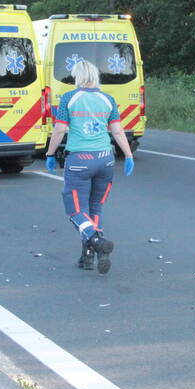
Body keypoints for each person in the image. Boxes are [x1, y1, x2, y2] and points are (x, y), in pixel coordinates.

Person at [45, 60, 134, 274]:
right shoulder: (108, 99)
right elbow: (117, 131)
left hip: (79, 161)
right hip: (106, 160)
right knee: (95, 207)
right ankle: (88, 257)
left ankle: (96, 241)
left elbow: (59, 130)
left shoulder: (69, 98)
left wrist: (50, 153)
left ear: (78, 76)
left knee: (76, 210)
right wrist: (128, 155)